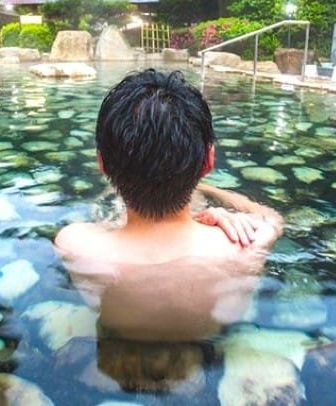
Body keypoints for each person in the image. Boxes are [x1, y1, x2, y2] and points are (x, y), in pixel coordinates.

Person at [54, 69, 284, 341]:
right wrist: (213, 205)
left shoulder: (74, 243)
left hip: (120, 343)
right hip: (212, 341)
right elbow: (274, 219)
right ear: (209, 161)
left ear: (101, 163)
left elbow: (110, 228)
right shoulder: (247, 244)